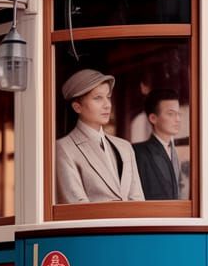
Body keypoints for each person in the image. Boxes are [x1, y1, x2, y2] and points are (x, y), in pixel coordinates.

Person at [56, 68, 145, 203]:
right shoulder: (64, 148)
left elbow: (137, 200)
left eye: (108, 97)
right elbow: (75, 208)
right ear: (77, 107)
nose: (107, 105)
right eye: (98, 98)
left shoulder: (125, 147)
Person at [133, 88, 187, 200]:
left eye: (178, 114)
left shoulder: (175, 151)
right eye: (170, 114)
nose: (177, 119)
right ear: (153, 118)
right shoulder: (138, 153)